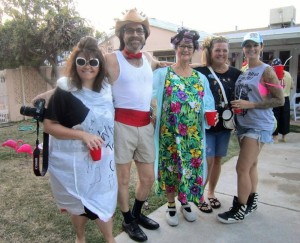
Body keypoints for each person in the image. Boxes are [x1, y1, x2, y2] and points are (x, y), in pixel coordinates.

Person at [43, 36, 117, 242]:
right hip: (74, 163)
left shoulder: (106, 90)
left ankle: (110, 239)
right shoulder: (65, 91)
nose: (87, 67)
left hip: (102, 161)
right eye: (81, 61)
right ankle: (80, 238)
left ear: (100, 65)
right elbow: (50, 126)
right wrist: (83, 134)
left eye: (93, 62)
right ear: (74, 63)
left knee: (104, 200)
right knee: (80, 204)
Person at [217, 32, 284, 223]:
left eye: (255, 45)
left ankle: (239, 208)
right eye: (247, 45)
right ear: (243, 49)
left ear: (262, 47)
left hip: (258, 125)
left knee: (241, 168)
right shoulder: (245, 70)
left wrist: (251, 105)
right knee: (252, 165)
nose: (251, 49)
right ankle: (252, 201)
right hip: (244, 125)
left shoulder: (266, 70)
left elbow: (279, 99)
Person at [152, 28, 215, 226]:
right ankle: (171, 204)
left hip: (193, 135)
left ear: (194, 49)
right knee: (170, 168)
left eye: (189, 46)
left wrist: (211, 115)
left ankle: (185, 202)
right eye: (181, 46)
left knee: (189, 168)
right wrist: (152, 114)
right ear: (175, 48)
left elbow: (209, 103)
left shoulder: (200, 78)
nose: (185, 49)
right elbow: (151, 97)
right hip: (169, 133)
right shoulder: (163, 73)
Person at [193, 36, 241, 213]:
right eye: (217, 50)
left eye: (224, 50)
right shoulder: (201, 73)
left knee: (218, 159)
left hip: (225, 126)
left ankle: (211, 193)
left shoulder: (236, 74)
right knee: (207, 160)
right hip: (206, 126)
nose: (221, 53)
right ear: (210, 52)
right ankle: (199, 195)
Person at [271, 58, 294, 143]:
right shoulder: (288, 74)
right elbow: (292, 86)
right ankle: (284, 136)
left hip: (276, 98)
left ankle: (275, 137)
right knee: (285, 117)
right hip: (286, 98)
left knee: (275, 117)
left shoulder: (273, 75)